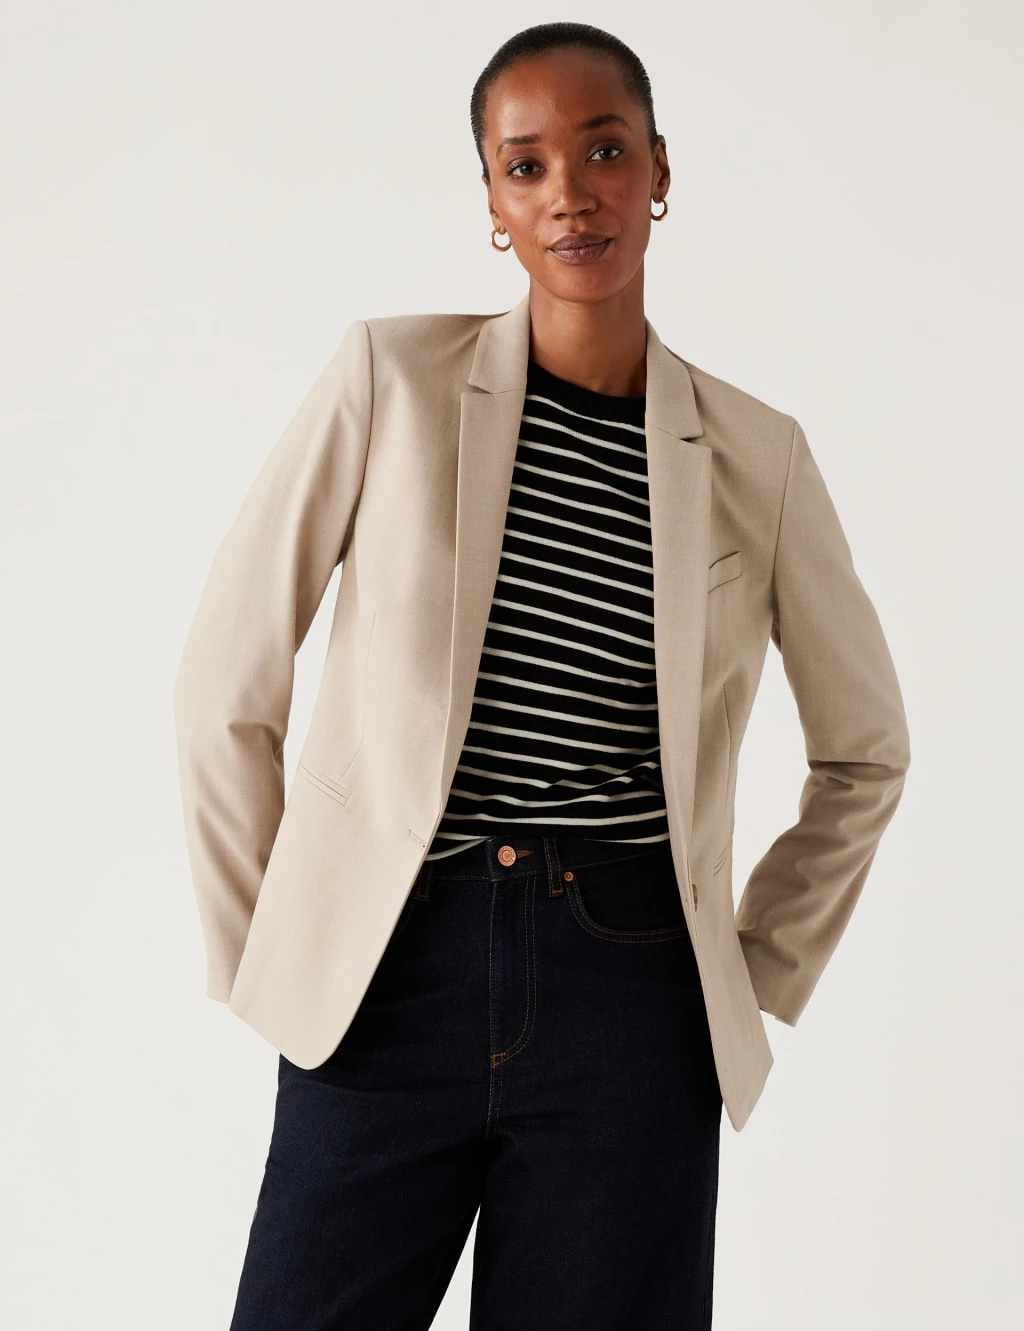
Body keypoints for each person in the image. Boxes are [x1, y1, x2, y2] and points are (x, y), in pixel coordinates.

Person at [172, 21, 911, 1330]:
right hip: (386, 968)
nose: (570, 192)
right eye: (527, 166)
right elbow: (226, 682)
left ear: (659, 171)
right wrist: (273, 954)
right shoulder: (390, 382)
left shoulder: (760, 457)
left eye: (604, 151)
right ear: (494, 203)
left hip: (631, 990)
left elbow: (867, 749)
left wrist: (749, 971)